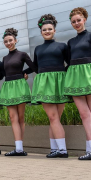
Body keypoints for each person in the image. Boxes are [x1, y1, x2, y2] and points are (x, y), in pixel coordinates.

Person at [25, 15, 71, 158]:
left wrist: (64, 77)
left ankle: (58, 150)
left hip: (59, 82)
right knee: (52, 117)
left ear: (54, 31)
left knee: (55, 118)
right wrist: (21, 73)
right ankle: (58, 149)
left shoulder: (63, 46)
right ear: (41, 32)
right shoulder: (38, 49)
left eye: (50, 29)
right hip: (44, 83)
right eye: (44, 30)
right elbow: (36, 66)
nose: (47, 31)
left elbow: (70, 63)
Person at [65, 7, 91, 160]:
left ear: (84, 20)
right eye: (73, 21)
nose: (76, 23)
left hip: (90, 75)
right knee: (84, 114)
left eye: (78, 20)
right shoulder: (70, 42)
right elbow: (69, 62)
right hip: (75, 78)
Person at [0, 28, 37, 156]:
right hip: (8, 87)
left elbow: (33, 67)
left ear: (15, 40)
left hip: (20, 86)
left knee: (21, 117)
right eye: (6, 41)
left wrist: (24, 73)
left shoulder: (22, 54)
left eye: (10, 40)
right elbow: (3, 74)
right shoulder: (4, 58)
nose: (8, 43)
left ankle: (20, 148)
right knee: (12, 117)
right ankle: (18, 148)